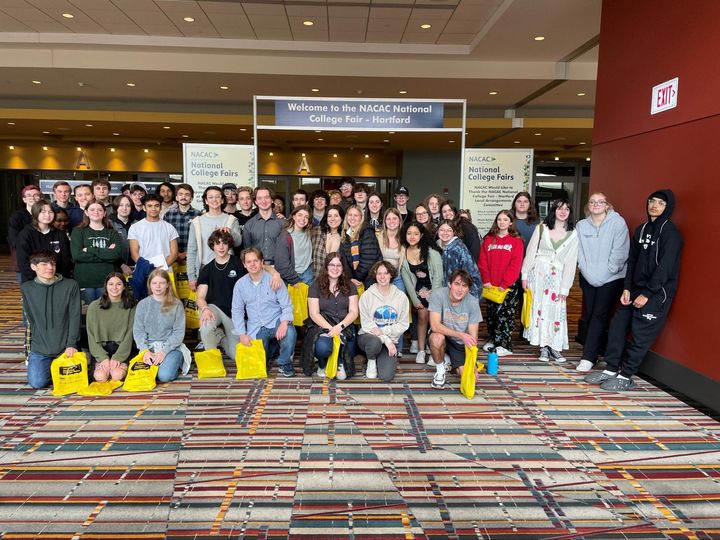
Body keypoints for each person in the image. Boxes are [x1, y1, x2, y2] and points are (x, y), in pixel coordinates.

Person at [585, 190, 683, 391]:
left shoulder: (671, 234)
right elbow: (632, 261)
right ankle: (611, 368)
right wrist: (627, 288)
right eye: (652, 201)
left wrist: (647, 293)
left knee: (640, 335)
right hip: (634, 290)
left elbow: (665, 267)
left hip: (657, 294)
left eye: (660, 203)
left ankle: (626, 374)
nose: (654, 205)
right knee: (617, 326)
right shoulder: (641, 230)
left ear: (668, 207)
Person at [575, 193, 630, 372]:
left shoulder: (617, 223)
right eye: (592, 201)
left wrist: (606, 273)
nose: (595, 204)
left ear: (607, 205)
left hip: (612, 277)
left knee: (599, 314)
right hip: (588, 277)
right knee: (591, 314)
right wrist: (586, 271)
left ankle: (588, 357)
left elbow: (620, 251)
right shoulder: (581, 225)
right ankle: (597, 351)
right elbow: (579, 252)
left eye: (600, 202)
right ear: (588, 206)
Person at [521, 198, 579, 362]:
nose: (563, 212)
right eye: (559, 208)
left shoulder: (573, 234)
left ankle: (555, 346)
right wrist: (524, 275)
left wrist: (565, 287)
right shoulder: (542, 228)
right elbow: (531, 252)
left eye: (566, 209)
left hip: (557, 277)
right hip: (538, 274)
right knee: (539, 308)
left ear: (569, 213)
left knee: (556, 309)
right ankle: (543, 347)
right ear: (554, 211)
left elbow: (571, 262)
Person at [232, 247, 297, 378]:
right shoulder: (240, 285)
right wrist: (242, 334)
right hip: (256, 327)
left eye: (255, 261)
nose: (252, 264)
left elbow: (286, 304)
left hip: (275, 322)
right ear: (244, 264)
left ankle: (284, 362)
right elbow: (237, 310)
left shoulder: (274, 280)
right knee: (258, 366)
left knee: (290, 332)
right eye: (249, 262)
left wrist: (284, 323)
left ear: (262, 262)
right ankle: (273, 346)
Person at [20, 250, 81, 389]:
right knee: (37, 382)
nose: (50, 267)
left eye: (52, 263)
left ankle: (55, 368)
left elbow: (74, 316)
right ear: (33, 267)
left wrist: (71, 344)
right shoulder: (26, 288)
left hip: (65, 348)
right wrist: (28, 353)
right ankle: (52, 369)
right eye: (44, 264)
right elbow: (30, 322)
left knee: (74, 382)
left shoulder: (71, 285)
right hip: (40, 349)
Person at [304, 252, 359, 380]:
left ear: (343, 268)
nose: (335, 268)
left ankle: (338, 360)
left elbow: (353, 311)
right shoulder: (315, 286)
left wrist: (339, 327)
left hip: (344, 325)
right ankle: (322, 364)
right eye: (332, 265)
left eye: (338, 265)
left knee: (344, 370)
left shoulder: (350, 286)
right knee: (323, 348)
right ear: (326, 267)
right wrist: (331, 329)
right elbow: (314, 313)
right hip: (322, 325)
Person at [478, 210, 524, 357]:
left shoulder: (516, 241)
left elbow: (515, 265)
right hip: (490, 286)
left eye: (505, 219)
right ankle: (493, 339)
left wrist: (505, 284)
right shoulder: (489, 239)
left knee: (506, 316)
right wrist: (486, 280)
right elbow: (482, 262)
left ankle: (505, 344)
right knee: (492, 315)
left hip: (507, 287)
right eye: (499, 219)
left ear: (511, 222)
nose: (502, 222)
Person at [428, 270, 482, 390]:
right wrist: (461, 334)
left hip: (460, 345)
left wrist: (472, 365)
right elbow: (435, 325)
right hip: (444, 336)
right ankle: (440, 371)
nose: (460, 289)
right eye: (457, 284)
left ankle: (448, 359)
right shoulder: (438, 295)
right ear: (449, 284)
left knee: (469, 378)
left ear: (468, 289)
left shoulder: (473, 302)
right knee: (436, 338)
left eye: (464, 286)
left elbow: (473, 338)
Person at [196, 230, 244, 361]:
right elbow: (200, 297)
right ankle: (212, 359)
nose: (221, 247)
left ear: (229, 245)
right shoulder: (207, 269)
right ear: (212, 246)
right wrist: (205, 309)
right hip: (214, 308)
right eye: (217, 243)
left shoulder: (239, 264)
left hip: (235, 311)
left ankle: (221, 338)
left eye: (224, 243)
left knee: (236, 355)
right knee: (206, 324)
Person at [357, 261, 410, 381]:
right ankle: (371, 360)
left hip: (391, 339)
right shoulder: (367, 296)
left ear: (391, 275)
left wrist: (384, 334)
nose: (382, 277)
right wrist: (386, 340)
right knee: (374, 342)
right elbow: (366, 324)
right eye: (379, 273)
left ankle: (377, 357)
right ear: (375, 275)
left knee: (386, 376)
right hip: (368, 337)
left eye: (385, 273)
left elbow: (403, 324)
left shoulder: (401, 297)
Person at [133, 268, 187, 383]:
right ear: (150, 285)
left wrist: (164, 351)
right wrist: (145, 351)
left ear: (167, 285)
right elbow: (138, 331)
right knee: (143, 377)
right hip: (149, 347)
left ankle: (175, 363)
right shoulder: (142, 305)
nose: (158, 286)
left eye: (161, 283)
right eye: (154, 283)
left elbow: (178, 332)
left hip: (171, 348)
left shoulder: (176, 304)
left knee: (164, 376)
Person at [401, 222, 443, 364]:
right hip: (418, 291)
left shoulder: (432, 252)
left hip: (435, 290)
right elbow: (406, 279)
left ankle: (432, 350)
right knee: (421, 317)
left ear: (421, 235)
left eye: (416, 234)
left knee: (433, 319)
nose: (412, 237)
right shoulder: (403, 252)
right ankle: (420, 350)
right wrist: (415, 301)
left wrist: (435, 300)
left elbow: (438, 277)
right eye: (409, 233)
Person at [186, 186, 242, 291]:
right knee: (205, 303)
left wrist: (230, 232)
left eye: (217, 197)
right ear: (206, 201)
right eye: (210, 197)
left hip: (228, 271)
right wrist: (191, 277)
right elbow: (192, 251)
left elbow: (238, 243)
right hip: (204, 270)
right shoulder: (197, 222)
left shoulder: (231, 220)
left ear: (222, 200)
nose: (214, 200)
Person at [87, 272, 137, 382]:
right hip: (101, 349)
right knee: (100, 376)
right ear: (106, 286)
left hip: (123, 349)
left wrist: (118, 358)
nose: (114, 287)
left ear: (124, 287)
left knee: (117, 375)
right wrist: (103, 358)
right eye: (111, 284)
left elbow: (130, 335)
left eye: (119, 284)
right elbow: (90, 336)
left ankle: (121, 368)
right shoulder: (94, 307)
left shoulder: (131, 306)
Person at [70, 201, 123, 305]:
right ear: (86, 212)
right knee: (88, 315)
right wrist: (106, 253)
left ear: (104, 213)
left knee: (105, 313)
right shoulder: (78, 231)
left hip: (107, 281)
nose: (96, 212)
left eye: (99, 210)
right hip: (85, 280)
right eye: (92, 210)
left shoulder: (112, 232)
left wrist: (90, 249)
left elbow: (115, 256)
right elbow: (77, 256)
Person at [16, 200, 73, 283]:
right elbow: (23, 262)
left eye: (50, 212)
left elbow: (66, 259)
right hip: (33, 281)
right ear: (35, 213)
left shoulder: (60, 233)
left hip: (57, 280)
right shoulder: (25, 234)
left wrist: (58, 278)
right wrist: (39, 280)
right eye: (43, 212)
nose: (47, 215)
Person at [128, 193, 179, 270]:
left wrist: (162, 267)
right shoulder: (135, 227)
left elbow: (174, 253)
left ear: (161, 207)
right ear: (144, 208)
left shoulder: (169, 227)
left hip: (165, 270)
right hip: (143, 270)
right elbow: (134, 254)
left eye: (157, 205)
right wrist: (147, 268)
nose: (153, 209)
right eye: (149, 206)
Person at [436, 219, 482, 299]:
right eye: (442, 230)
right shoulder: (436, 246)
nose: (445, 233)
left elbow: (471, 273)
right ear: (438, 231)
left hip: (460, 293)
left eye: (449, 230)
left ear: (454, 232)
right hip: (443, 293)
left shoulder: (459, 248)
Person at [339, 205, 382, 289]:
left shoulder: (367, 232)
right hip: (353, 280)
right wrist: (350, 278)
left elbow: (368, 261)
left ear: (361, 217)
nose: (352, 218)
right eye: (350, 215)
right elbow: (344, 260)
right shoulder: (345, 235)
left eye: (356, 215)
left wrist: (356, 278)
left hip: (370, 278)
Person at [8, 185, 43, 279]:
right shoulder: (16, 217)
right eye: (29, 195)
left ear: (40, 198)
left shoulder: (46, 214)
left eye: (36, 195)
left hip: (44, 260)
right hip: (24, 260)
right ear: (24, 199)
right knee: (28, 291)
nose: (32, 198)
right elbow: (14, 240)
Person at [243, 187, 284, 266]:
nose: (263, 201)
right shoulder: (249, 225)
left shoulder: (282, 223)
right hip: (257, 268)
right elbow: (247, 251)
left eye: (266, 197)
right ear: (256, 201)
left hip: (279, 267)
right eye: (259, 198)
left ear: (272, 200)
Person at [275, 205, 314, 285]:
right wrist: (296, 281)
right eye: (300, 215)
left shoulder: (309, 232)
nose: (303, 219)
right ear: (294, 216)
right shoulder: (285, 236)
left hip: (308, 275)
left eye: (306, 217)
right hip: (293, 278)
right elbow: (282, 265)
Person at [163, 183, 201, 264]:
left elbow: (201, 238)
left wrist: (186, 253)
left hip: (193, 257)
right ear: (176, 197)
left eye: (187, 194)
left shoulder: (199, 215)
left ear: (191, 198)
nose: (183, 197)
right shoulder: (168, 215)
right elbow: (164, 237)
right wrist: (175, 253)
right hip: (172, 258)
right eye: (180, 194)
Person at [311, 204, 344, 278]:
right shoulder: (317, 231)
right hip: (315, 280)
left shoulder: (345, 238)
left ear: (341, 218)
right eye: (329, 216)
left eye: (336, 216)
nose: (332, 219)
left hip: (337, 282)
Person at [377, 208, 405, 292]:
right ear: (385, 222)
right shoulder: (378, 236)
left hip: (397, 276)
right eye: (388, 219)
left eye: (394, 218)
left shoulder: (405, 238)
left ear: (399, 220)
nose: (391, 221)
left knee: (400, 298)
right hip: (381, 275)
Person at [110, 194, 135, 275]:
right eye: (121, 205)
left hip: (134, 267)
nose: (124, 208)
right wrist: (121, 264)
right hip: (115, 268)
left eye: (128, 205)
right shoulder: (109, 224)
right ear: (116, 207)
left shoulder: (137, 224)